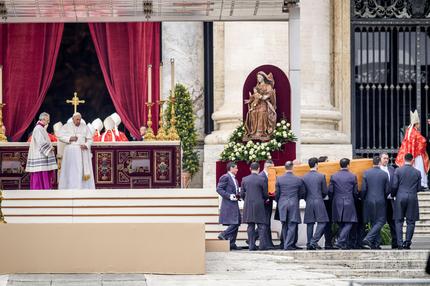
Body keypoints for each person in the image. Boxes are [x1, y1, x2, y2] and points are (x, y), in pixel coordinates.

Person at [58, 112, 95, 189]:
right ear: (73, 119)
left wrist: (86, 145)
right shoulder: (66, 126)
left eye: (79, 119)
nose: (78, 121)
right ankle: (69, 187)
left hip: (82, 152)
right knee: (71, 170)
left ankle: (82, 187)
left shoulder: (85, 127)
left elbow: (90, 139)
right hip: (70, 152)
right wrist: (70, 138)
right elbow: (60, 136)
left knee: (80, 170)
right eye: (77, 119)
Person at [392, 153, 421, 249]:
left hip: (400, 197)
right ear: (412, 160)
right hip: (412, 197)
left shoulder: (398, 170)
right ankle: (407, 242)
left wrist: (393, 195)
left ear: (404, 159)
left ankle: (399, 243)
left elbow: (394, 185)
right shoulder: (417, 172)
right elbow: (419, 188)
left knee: (398, 221)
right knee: (411, 222)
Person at [361, 156, 390, 249]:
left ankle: (376, 244)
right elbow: (387, 190)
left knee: (374, 222)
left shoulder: (366, 173)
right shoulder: (384, 174)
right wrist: (383, 196)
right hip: (381, 200)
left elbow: (364, 189)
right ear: (380, 163)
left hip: (369, 200)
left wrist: (363, 198)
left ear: (372, 163)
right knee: (381, 221)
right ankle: (368, 238)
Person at [329, 158, 358, 249]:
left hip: (337, 201)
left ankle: (343, 244)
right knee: (349, 222)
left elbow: (330, 191)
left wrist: (332, 199)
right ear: (348, 165)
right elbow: (355, 192)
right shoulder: (352, 176)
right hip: (349, 201)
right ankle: (340, 241)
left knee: (341, 223)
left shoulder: (334, 176)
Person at [395, 110, 429, 188]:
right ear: (416, 124)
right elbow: (422, 141)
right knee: (419, 169)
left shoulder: (410, 131)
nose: (419, 125)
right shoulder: (414, 132)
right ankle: (420, 185)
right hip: (417, 155)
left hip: (412, 154)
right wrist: (425, 140)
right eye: (419, 123)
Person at [275, 161, 305, 250]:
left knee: (284, 225)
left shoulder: (279, 179)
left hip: (282, 204)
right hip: (293, 203)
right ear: (292, 167)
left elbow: (277, 194)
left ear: (285, 167)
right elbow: (302, 193)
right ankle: (287, 245)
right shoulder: (298, 179)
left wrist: (280, 201)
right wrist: (296, 199)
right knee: (292, 225)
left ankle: (286, 244)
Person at [241, 162, 269, 251]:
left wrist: (247, 199)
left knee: (250, 226)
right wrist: (264, 199)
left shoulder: (244, 179)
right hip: (259, 204)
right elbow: (265, 194)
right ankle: (262, 245)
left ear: (250, 169)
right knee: (261, 226)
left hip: (248, 204)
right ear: (259, 169)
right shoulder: (262, 179)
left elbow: (242, 194)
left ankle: (251, 246)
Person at [25, 112, 58, 189]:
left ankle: (44, 188)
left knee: (43, 171)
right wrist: (49, 148)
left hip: (42, 154)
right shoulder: (38, 128)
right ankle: (40, 188)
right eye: (47, 120)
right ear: (43, 119)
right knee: (40, 172)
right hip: (40, 154)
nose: (48, 122)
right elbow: (40, 141)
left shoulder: (41, 128)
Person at [302, 157, 329, 250]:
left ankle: (309, 243)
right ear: (317, 164)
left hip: (309, 201)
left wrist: (307, 198)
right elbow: (325, 191)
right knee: (323, 222)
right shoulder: (321, 176)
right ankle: (313, 241)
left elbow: (303, 192)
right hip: (318, 200)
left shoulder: (304, 177)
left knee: (310, 223)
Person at [244, 71, 277, 141]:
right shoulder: (257, 86)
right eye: (258, 77)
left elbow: (270, 94)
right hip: (257, 103)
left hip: (265, 103)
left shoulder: (268, 86)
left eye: (260, 77)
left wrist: (262, 96)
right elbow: (254, 96)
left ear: (263, 77)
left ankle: (261, 132)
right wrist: (249, 100)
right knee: (252, 112)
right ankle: (254, 132)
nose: (258, 78)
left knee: (261, 112)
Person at [216, 162, 241, 250]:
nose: (237, 170)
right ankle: (223, 234)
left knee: (237, 222)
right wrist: (229, 196)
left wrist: (238, 196)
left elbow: (235, 192)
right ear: (231, 168)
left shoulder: (235, 180)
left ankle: (232, 243)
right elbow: (219, 189)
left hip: (234, 203)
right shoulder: (225, 177)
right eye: (236, 168)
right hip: (228, 204)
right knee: (235, 223)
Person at [379, 152, 397, 248]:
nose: (386, 160)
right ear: (380, 159)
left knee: (392, 222)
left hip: (390, 200)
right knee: (379, 222)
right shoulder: (377, 169)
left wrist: (393, 194)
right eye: (384, 158)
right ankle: (376, 243)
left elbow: (394, 183)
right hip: (381, 200)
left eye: (387, 158)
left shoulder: (392, 169)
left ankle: (395, 242)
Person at [259, 159, 275, 249]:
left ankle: (269, 243)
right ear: (268, 167)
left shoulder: (270, 176)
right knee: (265, 223)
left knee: (267, 223)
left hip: (269, 203)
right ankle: (266, 243)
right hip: (263, 203)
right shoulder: (261, 176)